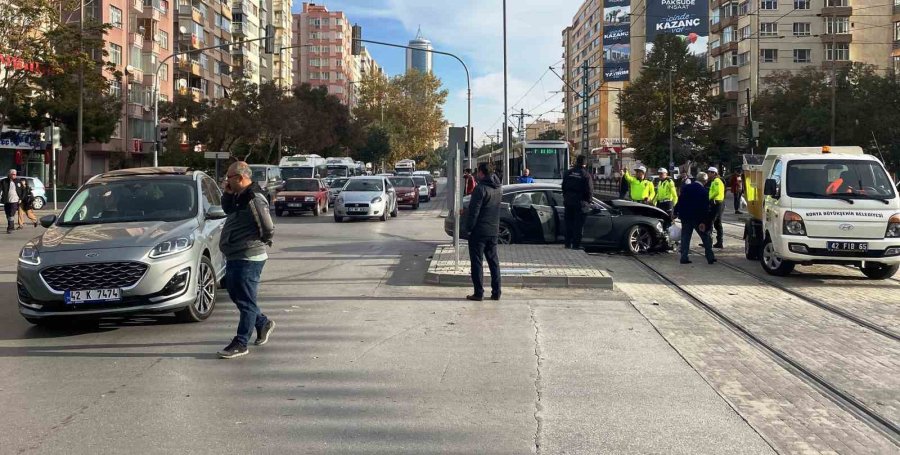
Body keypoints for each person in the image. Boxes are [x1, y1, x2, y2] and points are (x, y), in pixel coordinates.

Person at [217, 161, 277, 359]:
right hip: (235, 255)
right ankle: (262, 323)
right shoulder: (239, 195)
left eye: (229, 178)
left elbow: (268, 227)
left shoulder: (254, 198)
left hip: (249, 256)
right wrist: (227, 193)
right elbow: (228, 210)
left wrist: (259, 241)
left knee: (245, 301)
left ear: (240, 178)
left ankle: (241, 342)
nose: (226, 181)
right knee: (237, 295)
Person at [463, 162, 502, 302]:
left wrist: (468, 229)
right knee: (493, 261)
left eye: (478, 172)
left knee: (477, 262)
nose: (477, 174)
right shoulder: (498, 188)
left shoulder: (480, 189)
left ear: (481, 173)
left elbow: (474, 212)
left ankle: (479, 293)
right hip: (493, 230)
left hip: (479, 232)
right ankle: (496, 292)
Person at [674, 172, 716, 264]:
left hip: (685, 217)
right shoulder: (704, 191)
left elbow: (680, 201)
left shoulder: (686, 188)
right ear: (705, 181)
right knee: (705, 237)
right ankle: (710, 257)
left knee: (685, 237)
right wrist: (703, 221)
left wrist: (675, 212)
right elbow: (705, 208)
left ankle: (684, 257)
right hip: (698, 218)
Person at [561, 155, 593, 249]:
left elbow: (563, 187)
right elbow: (589, 190)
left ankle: (567, 244)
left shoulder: (568, 173)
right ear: (585, 164)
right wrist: (589, 201)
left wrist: (566, 198)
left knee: (568, 224)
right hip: (580, 203)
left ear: (576, 162)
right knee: (578, 226)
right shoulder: (586, 175)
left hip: (569, 202)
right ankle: (576, 245)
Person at [707, 166, 725, 248]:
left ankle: (708, 241)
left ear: (714, 173)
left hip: (716, 203)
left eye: (709, 172)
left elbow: (716, 191)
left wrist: (709, 197)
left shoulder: (717, 181)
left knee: (710, 222)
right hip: (718, 203)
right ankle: (719, 242)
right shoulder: (715, 181)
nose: (708, 174)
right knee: (717, 223)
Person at [0, 169, 23, 234]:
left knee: (11, 214)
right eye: (13, 174)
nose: (14, 175)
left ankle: (10, 228)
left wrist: (21, 198)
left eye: (15, 174)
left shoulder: (18, 181)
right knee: (7, 215)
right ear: (9, 174)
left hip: (15, 201)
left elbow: (23, 190)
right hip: (6, 201)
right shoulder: (4, 181)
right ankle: (11, 226)